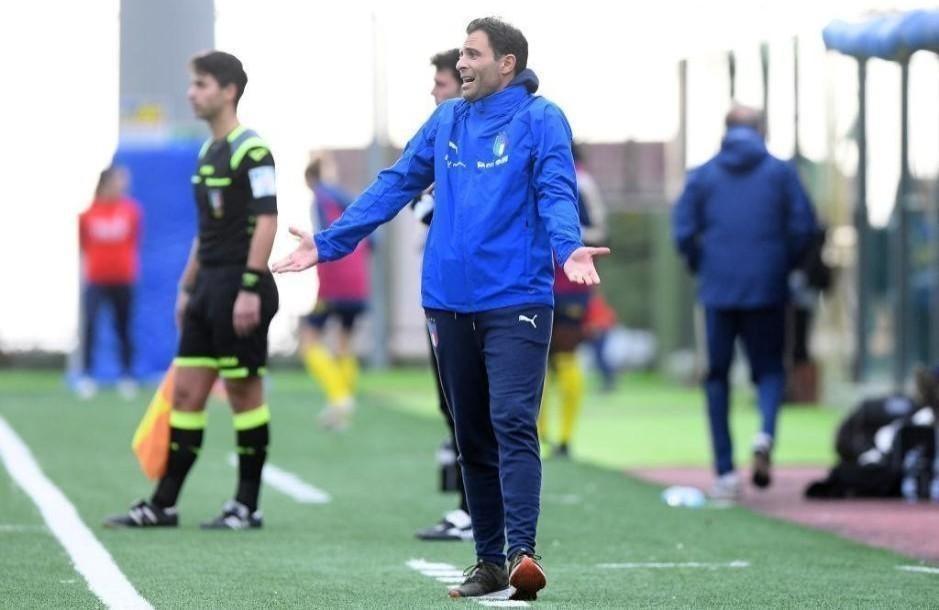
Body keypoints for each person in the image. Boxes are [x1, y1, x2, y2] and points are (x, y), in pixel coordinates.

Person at [273, 17, 609, 601]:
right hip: (448, 302)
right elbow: (395, 183)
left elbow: (557, 190)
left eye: (472, 54)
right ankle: (488, 564)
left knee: (511, 420)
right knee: (470, 434)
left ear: (507, 63)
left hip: (518, 299)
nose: (462, 64)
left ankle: (522, 553)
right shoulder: (447, 118)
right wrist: (327, 243)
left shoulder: (541, 118)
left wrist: (567, 245)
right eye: (461, 54)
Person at [106, 50, 279, 529]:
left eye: (201, 85)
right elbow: (206, 232)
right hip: (207, 288)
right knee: (185, 393)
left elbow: (267, 219)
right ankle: (164, 503)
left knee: (244, 394)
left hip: (240, 286)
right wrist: (186, 289)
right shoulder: (207, 153)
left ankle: (246, 505)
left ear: (228, 91)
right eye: (192, 84)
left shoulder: (252, 149)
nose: (191, 93)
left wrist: (250, 285)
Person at [672, 104, 816, 499]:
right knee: (770, 370)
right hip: (768, 288)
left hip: (717, 289)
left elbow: (683, 232)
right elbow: (805, 226)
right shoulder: (781, 173)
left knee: (716, 377)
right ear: (760, 129)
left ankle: (725, 472)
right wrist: (780, 265)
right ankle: (765, 434)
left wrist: (705, 264)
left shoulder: (702, 176)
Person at [412, 47, 474, 543]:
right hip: (445, 299)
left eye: (442, 83)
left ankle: (479, 511)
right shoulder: (436, 140)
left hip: (493, 300)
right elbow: (415, 202)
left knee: (489, 410)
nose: (435, 92)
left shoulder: (484, 140)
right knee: (452, 405)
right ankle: (468, 506)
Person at [538, 143, 608, 457]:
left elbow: (597, 233)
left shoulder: (575, 182)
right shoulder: (584, 182)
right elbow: (600, 231)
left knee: (539, 361)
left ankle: (550, 437)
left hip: (549, 282)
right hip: (566, 286)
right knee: (559, 359)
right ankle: (560, 438)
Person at [299, 156, 370, 430]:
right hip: (358, 283)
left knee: (309, 339)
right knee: (343, 343)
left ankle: (338, 396)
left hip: (335, 283)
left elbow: (322, 239)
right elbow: (371, 240)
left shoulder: (320, 198)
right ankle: (345, 403)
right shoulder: (344, 198)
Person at [77, 166, 142, 400]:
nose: (123, 186)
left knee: (124, 326)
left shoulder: (131, 212)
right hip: (96, 279)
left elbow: (135, 239)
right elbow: (83, 244)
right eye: (118, 181)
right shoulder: (87, 215)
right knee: (91, 326)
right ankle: (87, 375)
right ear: (105, 183)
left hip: (124, 279)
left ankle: (127, 376)